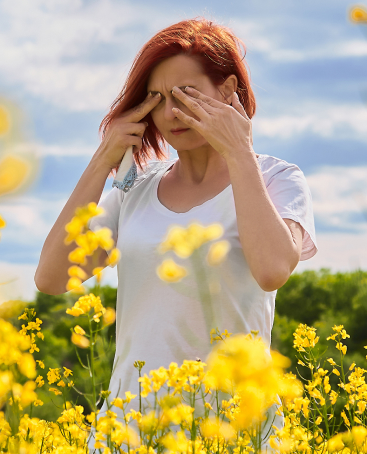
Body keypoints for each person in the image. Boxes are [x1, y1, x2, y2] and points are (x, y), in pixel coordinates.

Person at [34, 18, 317, 439]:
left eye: (187, 94)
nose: (171, 113)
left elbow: (273, 268)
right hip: (130, 430)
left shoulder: (276, 179)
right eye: (157, 98)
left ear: (228, 91)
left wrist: (238, 149)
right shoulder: (135, 189)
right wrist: (103, 160)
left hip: (232, 431)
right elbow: (52, 277)